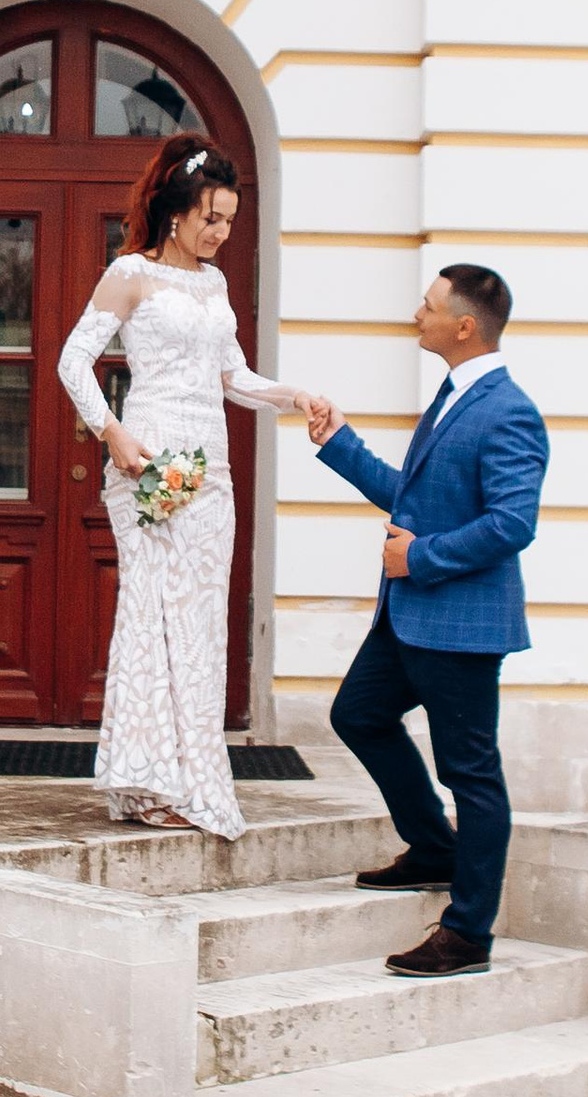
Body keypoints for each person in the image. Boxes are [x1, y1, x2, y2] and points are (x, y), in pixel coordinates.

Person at [56, 139, 307, 841]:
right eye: (210, 218)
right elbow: (73, 362)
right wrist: (112, 433)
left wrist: (295, 397)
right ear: (174, 212)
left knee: (200, 629)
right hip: (150, 466)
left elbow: (234, 378)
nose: (221, 233)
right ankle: (147, 782)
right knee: (152, 613)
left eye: (229, 220)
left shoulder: (217, 285)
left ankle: (189, 782)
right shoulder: (130, 275)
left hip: (211, 472)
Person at [305, 265, 547, 975]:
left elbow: (512, 524)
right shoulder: (451, 395)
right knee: (358, 715)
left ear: (464, 325)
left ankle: (468, 933)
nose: (418, 313)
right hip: (410, 617)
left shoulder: (509, 410)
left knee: (471, 774)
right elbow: (411, 497)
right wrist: (338, 443)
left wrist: (423, 559)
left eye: (429, 304)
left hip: (462, 624)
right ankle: (433, 848)